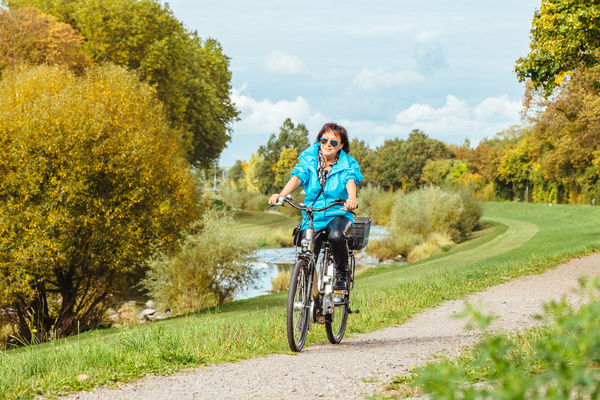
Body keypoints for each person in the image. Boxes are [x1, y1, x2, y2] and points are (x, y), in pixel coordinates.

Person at [269, 122, 363, 290]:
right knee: (307, 253)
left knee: (336, 236)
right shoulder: (309, 159)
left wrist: (351, 199)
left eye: (333, 142)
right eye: (324, 140)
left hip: (338, 213)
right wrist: (281, 195)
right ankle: (312, 297)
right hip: (313, 214)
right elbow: (298, 177)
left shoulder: (347, 163)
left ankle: (342, 274)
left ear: (341, 145)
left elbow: (350, 180)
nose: (328, 145)